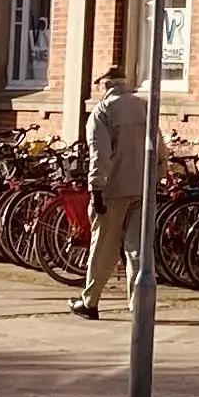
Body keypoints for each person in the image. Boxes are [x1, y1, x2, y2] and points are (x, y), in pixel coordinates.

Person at [75, 58, 149, 319]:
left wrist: (95, 189)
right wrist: (155, 177)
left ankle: (90, 302)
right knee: (137, 249)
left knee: (103, 247)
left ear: (105, 84)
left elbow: (100, 154)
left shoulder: (102, 112)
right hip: (142, 188)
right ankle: (140, 306)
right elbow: (159, 148)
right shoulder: (143, 106)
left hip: (113, 189)